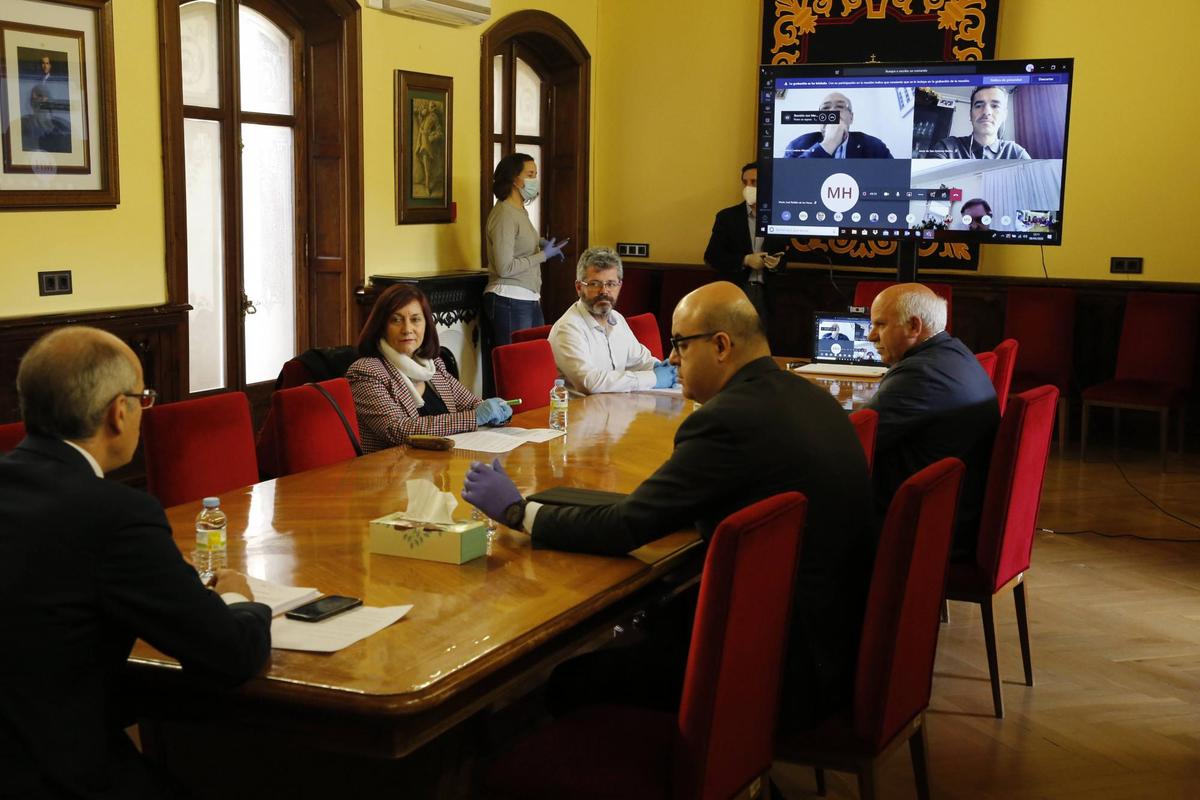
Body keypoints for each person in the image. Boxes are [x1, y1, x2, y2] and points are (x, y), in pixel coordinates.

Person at [463, 281, 875, 725]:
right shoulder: (808, 395)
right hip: (833, 641)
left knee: (571, 678)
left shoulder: (726, 420)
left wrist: (518, 512)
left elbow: (628, 528)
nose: (672, 359)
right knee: (658, 618)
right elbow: (662, 509)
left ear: (720, 346)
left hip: (773, 672)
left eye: (680, 345)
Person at [0, 326, 271, 797]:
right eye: (143, 398)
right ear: (118, 413)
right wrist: (233, 594)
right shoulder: (116, 515)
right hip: (55, 773)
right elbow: (229, 654)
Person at [865, 283, 1000, 556]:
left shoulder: (921, 374)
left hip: (925, 524)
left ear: (914, 326)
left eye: (880, 325)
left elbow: (856, 440)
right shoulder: (953, 352)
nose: (871, 336)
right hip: (954, 509)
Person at [346, 284, 512, 452]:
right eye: (396, 320)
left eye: (415, 319)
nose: (407, 329)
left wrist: (496, 412)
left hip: (442, 468)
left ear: (426, 324)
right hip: (394, 471)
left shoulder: (433, 366)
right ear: (381, 327)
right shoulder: (366, 371)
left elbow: (472, 404)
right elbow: (397, 429)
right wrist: (475, 417)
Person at [548, 246, 676, 394]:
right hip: (582, 413)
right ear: (578, 287)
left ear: (619, 286)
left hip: (618, 408)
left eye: (611, 284)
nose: (604, 291)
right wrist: (654, 378)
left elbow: (640, 360)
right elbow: (590, 383)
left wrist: (661, 368)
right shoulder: (567, 328)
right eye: (595, 284)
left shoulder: (617, 319)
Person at [484, 152, 568, 347]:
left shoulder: (519, 210)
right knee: (516, 366)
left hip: (528, 297)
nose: (535, 180)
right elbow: (505, 267)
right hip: (509, 298)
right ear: (514, 179)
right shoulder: (504, 214)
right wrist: (542, 256)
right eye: (530, 175)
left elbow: (518, 239)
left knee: (535, 360)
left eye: (535, 174)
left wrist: (542, 243)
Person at [703, 162, 790, 331]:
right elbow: (712, 256)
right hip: (737, 291)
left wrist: (777, 264)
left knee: (764, 345)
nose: (748, 187)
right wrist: (745, 260)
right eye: (745, 182)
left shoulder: (781, 216)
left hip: (770, 295)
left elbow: (790, 256)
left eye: (754, 182)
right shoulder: (727, 217)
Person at [927, 86, 1031, 160]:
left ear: (1004, 115)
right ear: (970, 115)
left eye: (995, 106)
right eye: (978, 105)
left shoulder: (1016, 152)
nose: (986, 112)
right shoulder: (946, 147)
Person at [784, 92, 894, 158]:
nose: (832, 112)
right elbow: (785, 183)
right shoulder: (796, 147)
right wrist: (827, 145)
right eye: (825, 108)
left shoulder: (874, 146)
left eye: (840, 107)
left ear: (851, 117)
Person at [20, 83, 70, 153]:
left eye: (40, 95)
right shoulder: (23, 124)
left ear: (48, 100)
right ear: (31, 102)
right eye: (33, 97)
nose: (36, 99)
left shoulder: (61, 126)